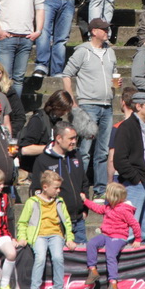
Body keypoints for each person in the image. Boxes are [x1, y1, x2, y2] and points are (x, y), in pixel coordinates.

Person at [61, 18, 118, 195]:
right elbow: (66, 75)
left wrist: (115, 85)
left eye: (107, 29)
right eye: (104, 29)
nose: (107, 32)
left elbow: (113, 76)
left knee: (103, 151)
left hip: (107, 106)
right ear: (94, 31)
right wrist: (72, 102)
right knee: (84, 150)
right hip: (88, 106)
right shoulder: (82, 52)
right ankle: (78, 188)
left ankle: (100, 189)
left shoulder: (110, 52)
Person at [18, 169, 76, 289]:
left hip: (56, 234)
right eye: (56, 188)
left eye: (59, 188)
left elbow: (67, 222)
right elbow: (23, 222)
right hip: (38, 235)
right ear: (45, 187)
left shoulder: (59, 202)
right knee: (40, 258)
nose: (58, 191)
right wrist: (22, 237)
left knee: (57, 257)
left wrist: (69, 238)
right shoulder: (32, 202)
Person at [113, 91, 145, 243]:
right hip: (135, 186)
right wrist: (136, 179)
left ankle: (144, 255)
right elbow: (119, 160)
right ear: (138, 106)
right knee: (130, 231)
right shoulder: (126, 127)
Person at [83, 182, 140, 289]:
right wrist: (85, 201)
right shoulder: (109, 207)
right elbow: (98, 208)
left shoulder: (124, 210)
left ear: (113, 197)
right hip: (106, 234)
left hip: (118, 237)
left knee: (110, 255)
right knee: (91, 243)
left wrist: (137, 239)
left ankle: (113, 283)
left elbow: (135, 224)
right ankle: (92, 270)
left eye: (107, 194)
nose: (105, 196)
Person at [17, 90, 74, 175]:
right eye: (62, 110)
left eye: (66, 110)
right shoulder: (38, 120)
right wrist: (50, 148)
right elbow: (25, 149)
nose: (64, 113)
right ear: (55, 106)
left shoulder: (56, 121)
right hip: (33, 170)